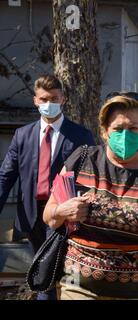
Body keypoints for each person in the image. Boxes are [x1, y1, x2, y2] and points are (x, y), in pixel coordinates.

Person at [42, 93, 138, 300]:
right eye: (118, 129)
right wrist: (63, 210)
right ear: (105, 131)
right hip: (79, 285)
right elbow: (49, 215)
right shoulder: (82, 160)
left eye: (133, 128)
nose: (125, 135)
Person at [0, 74, 95, 300]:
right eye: (43, 99)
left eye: (54, 98)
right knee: (43, 273)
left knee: (62, 274)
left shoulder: (80, 135)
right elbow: (6, 176)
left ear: (63, 99)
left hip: (65, 217)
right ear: (35, 101)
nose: (48, 104)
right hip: (32, 216)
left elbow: (91, 178)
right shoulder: (23, 135)